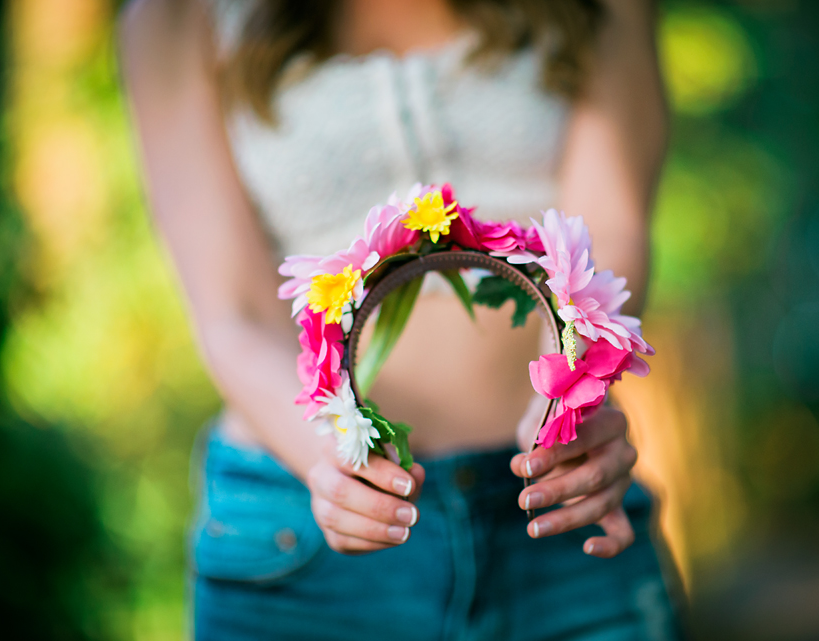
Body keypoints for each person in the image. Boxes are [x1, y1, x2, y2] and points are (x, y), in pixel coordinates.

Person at [120, 0, 680, 638]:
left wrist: (573, 400)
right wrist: (328, 460)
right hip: (296, 539)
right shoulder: (175, 18)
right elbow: (233, 313)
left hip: (560, 506)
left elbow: (609, 227)